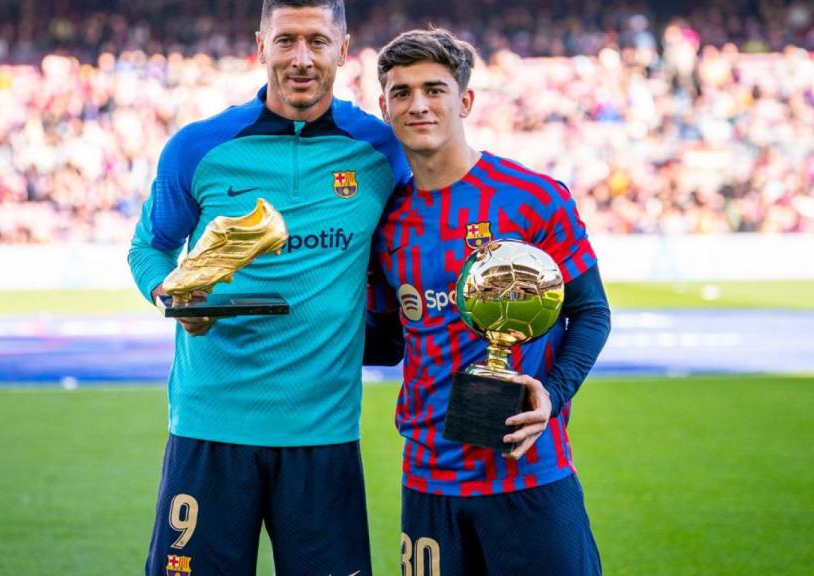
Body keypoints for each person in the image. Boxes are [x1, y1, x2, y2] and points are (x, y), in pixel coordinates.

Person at [127, 1, 409, 574]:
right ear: (260, 46)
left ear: (343, 49)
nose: (301, 59)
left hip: (323, 434)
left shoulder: (382, 150)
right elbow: (148, 249)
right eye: (285, 41)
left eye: (317, 41)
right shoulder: (198, 147)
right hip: (211, 426)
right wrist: (171, 296)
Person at [365, 29, 611, 575]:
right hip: (428, 482)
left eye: (435, 89)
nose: (418, 104)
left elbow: (591, 311)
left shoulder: (533, 198)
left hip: (527, 475)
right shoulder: (384, 221)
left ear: (465, 100)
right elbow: (383, 341)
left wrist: (553, 392)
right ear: (384, 107)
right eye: (401, 93)